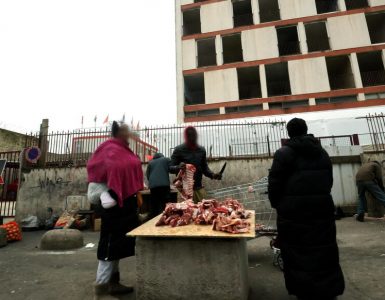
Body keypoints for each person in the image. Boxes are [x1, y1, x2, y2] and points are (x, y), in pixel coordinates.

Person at [268, 118, 345, 300]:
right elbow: (329, 182)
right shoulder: (322, 153)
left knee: (298, 253)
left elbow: (274, 186)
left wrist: (279, 205)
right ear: (306, 130)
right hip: (321, 210)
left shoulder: (283, 154)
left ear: (288, 133)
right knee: (323, 250)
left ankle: (304, 292)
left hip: (293, 214)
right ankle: (328, 290)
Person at [87, 121, 143, 299]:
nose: (129, 134)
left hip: (124, 205)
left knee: (117, 246)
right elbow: (98, 170)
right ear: (118, 132)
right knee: (109, 247)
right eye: (125, 131)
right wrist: (107, 193)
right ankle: (101, 289)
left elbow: (130, 168)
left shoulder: (124, 150)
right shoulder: (109, 148)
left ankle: (114, 283)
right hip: (111, 205)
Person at [170, 126, 222, 203]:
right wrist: (178, 167)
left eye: (193, 135)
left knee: (204, 212)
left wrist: (213, 175)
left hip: (198, 189)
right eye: (189, 135)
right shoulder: (179, 150)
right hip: (184, 191)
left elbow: (204, 168)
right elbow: (170, 168)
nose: (192, 137)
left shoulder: (201, 150)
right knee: (185, 213)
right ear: (186, 136)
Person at [146, 152, 171, 217]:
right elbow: (171, 168)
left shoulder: (150, 162)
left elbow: (148, 175)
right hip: (164, 186)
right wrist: (178, 167)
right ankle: (165, 217)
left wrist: (152, 182)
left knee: (154, 204)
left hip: (153, 186)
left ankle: (153, 218)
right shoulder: (166, 159)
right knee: (165, 203)